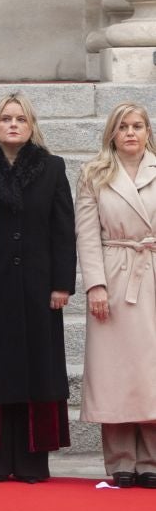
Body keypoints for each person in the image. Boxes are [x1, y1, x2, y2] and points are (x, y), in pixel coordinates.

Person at [0, 92, 74, 483]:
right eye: (6, 119)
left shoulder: (51, 167)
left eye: (20, 119)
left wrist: (62, 283)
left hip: (38, 285)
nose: (13, 124)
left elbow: (63, 229)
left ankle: (33, 462)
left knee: (38, 368)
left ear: (31, 125)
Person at [75, 103, 156, 487]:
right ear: (111, 132)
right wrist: (95, 285)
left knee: (150, 372)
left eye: (137, 126)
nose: (130, 132)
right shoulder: (94, 174)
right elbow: (87, 235)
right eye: (123, 126)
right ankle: (121, 459)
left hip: (152, 273)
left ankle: (152, 460)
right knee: (114, 372)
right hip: (114, 273)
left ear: (147, 131)